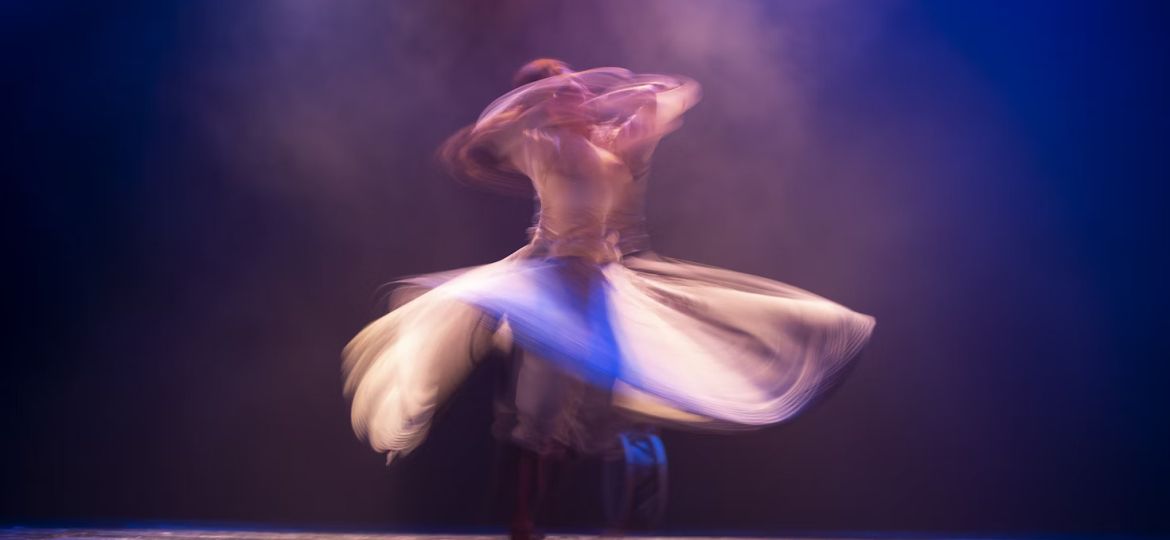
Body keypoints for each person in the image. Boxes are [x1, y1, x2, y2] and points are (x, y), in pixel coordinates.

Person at [342, 58, 876, 538]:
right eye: (556, 93)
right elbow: (484, 139)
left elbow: (670, 99)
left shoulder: (611, 141)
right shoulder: (541, 143)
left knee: (609, 407)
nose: (570, 96)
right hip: (551, 277)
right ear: (542, 107)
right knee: (542, 409)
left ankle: (617, 519)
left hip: (602, 279)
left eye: (571, 88)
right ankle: (523, 519)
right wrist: (542, 102)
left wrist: (626, 92)